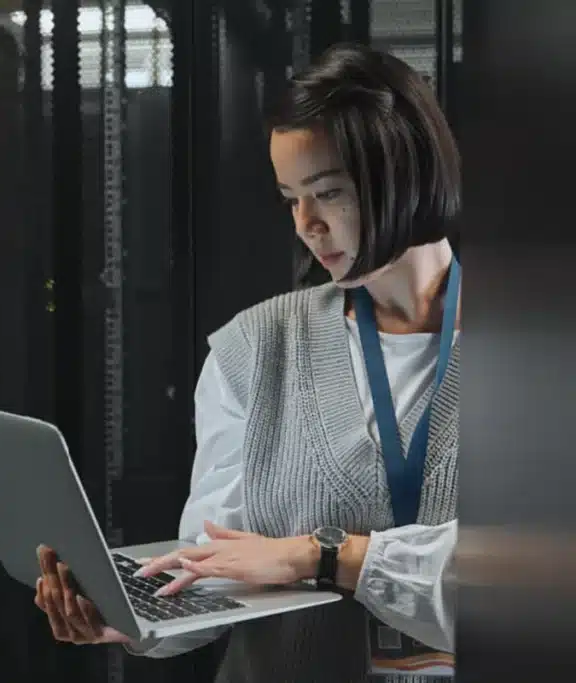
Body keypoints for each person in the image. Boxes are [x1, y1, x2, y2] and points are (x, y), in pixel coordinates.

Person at [34, 42, 463, 682]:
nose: (307, 224)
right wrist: (134, 616)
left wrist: (319, 556)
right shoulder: (254, 348)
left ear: (406, 175)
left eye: (329, 192)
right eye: (291, 198)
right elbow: (219, 564)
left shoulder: (543, 346)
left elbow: (540, 577)